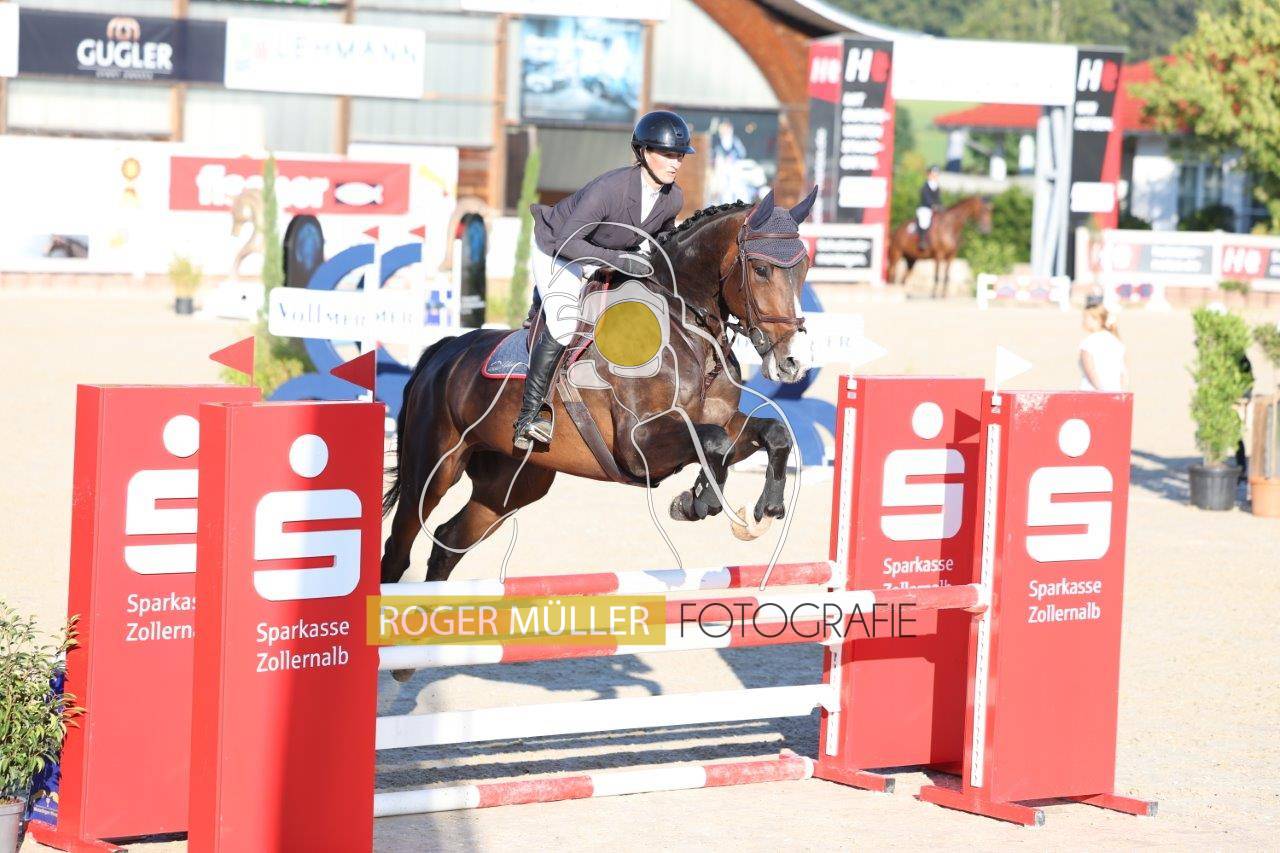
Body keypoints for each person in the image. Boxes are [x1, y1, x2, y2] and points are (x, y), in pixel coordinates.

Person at [515, 109, 692, 450]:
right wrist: (621, 260)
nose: (675, 163)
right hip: (558, 251)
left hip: (600, 253)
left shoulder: (674, 197)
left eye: (680, 156)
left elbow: (663, 240)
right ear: (643, 152)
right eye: (667, 154)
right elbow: (569, 242)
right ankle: (528, 416)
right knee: (565, 325)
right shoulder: (610, 189)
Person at [1079, 297, 1127, 392]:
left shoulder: (1089, 342)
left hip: (1092, 392)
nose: (1083, 321)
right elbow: (1123, 373)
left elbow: (1091, 371)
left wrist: (1102, 392)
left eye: (1085, 318)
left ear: (1097, 320)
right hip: (1115, 391)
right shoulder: (1116, 341)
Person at [916, 165, 942, 253]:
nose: (935, 176)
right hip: (925, 208)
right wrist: (932, 205)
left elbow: (938, 199)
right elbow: (926, 198)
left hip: (935, 209)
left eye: (936, 175)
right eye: (933, 174)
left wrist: (940, 206)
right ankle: (922, 240)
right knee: (924, 221)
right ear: (929, 175)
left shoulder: (937, 187)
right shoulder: (925, 187)